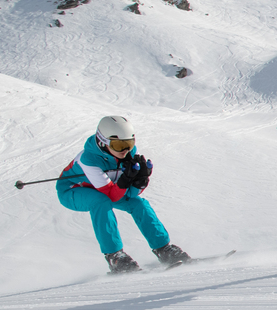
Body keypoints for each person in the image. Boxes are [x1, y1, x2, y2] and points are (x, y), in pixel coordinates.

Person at [57, 115, 192, 273]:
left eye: (129, 143)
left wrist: (139, 181)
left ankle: (164, 249)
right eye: (118, 145)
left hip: (108, 190)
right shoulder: (88, 159)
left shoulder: (129, 153)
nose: (125, 150)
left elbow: (130, 195)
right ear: (103, 141)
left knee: (139, 204)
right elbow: (111, 196)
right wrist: (126, 179)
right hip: (72, 191)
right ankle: (115, 257)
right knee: (100, 202)